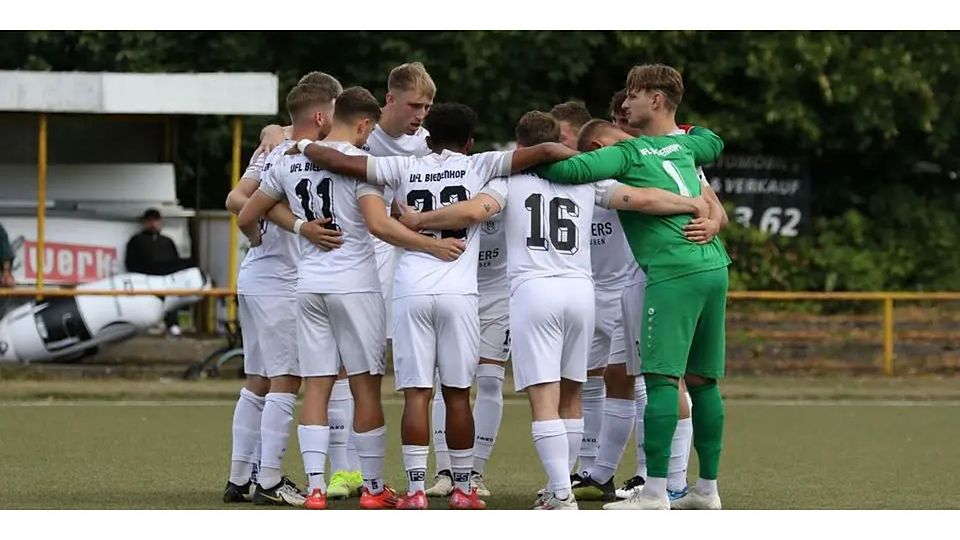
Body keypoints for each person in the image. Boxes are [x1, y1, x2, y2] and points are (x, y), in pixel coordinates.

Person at [394, 110, 707, 509]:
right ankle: (558, 484)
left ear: (519, 147)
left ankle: (560, 493)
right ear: (559, 140)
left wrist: (419, 219)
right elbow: (642, 199)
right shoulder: (586, 177)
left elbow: (472, 212)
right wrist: (691, 203)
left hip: (534, 292)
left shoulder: (509, 179)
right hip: (580, 292)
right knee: (573, 393)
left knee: (544, 397)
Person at [292, 102, 576, 509]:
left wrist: (300, 144)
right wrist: (595, 161)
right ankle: (463, 490)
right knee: (459, 394)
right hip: (460, 293)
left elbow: (336, 159)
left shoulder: (401, 167)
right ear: (470, 141)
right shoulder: (483, 165)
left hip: (410, 291)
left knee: (416, 396)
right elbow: (547, 152)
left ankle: (415, 491)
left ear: (427, 137)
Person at [535, 63, 729, 511]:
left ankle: (655, 493)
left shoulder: (631, 155)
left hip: (671, 272)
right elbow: (712, 139)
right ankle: (706, 490)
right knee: (704, 383)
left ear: (656, 101)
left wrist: (535, 151)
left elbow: (565, 172)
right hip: (714, 267)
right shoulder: (688, 145)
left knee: (661, 381)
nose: (625, 104)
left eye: (634, 96)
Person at [220, 73, 343, 506]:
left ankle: (239, 476)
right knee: (286, 379)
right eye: (336, 110)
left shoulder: (274, 144)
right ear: (321, 113)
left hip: (257, 274)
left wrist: (261, 221)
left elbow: (240, 201)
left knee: (257, 379)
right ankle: (269, 478)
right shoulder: (284, 148)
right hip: (280, 280)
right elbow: (238, 200)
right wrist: (296, 223)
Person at [124, 208, 191, 336]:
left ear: (161, 222)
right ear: (144, 223)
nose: (153, 224)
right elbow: (130, 262)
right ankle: (150, 325)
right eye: (149, 221)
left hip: (166, 279)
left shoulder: (167, 241)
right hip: (145, 280)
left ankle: (172, 324)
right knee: (148, 303)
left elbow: (175, 261)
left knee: (170, 301)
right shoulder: (136, 240)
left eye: (156, 221)